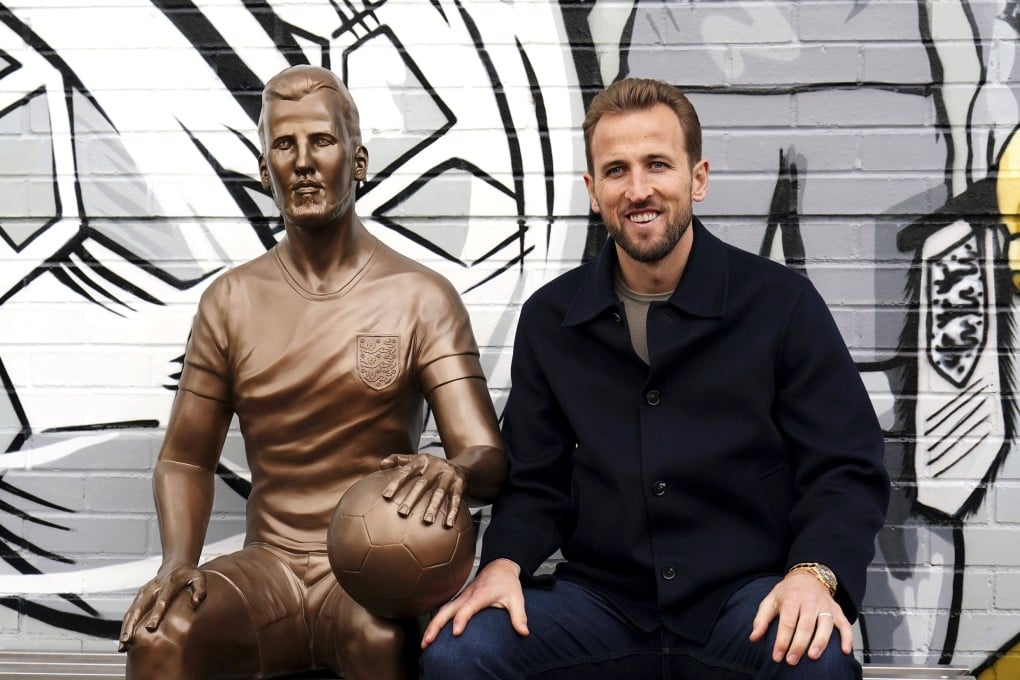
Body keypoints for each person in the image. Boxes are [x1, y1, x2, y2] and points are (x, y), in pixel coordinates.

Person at [420, 78, 890, 679]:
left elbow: (845, 466)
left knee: (819, 662)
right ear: (593, 192)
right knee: (459, 652)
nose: (638, 189)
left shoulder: (781, 305)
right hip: (600, 604)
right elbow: (537, 480)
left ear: (698, 178)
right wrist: (503, 564)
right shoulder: (551, 320)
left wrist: (813, 575)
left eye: (657, 164)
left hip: (744, 603)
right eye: (616, 170)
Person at [117, 64, 506, 680]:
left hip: (367, 576)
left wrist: (454, 471)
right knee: (160, 636)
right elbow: (186, 458)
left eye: (321, 141)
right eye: (284, 144)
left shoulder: (421, 298)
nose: (302, 162)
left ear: (358, 161)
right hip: (266, 569)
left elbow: (487, 456)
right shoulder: (230, 302)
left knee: (379, 639)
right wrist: (176, 562)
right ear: (263, 169)